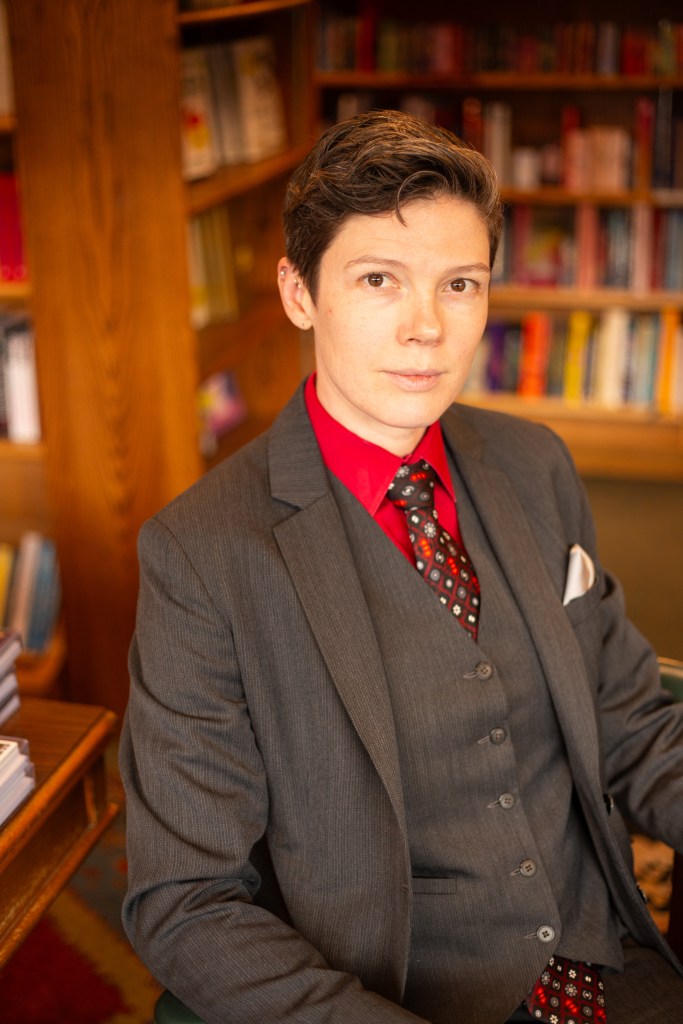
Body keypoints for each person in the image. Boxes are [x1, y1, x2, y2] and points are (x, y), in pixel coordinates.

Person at [120, 110, 683, 1023]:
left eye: (459, 284)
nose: (427, 328)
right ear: (299, 293)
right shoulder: (202, 555)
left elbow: (630, 722)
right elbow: (186, 902)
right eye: (379, 279)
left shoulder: (534, 463)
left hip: (612, 960)